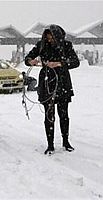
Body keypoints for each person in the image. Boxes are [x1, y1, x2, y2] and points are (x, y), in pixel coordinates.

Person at [24, 24, 80, 155]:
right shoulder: (41, 44)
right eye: (48, 38)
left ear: (58, 36)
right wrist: (30, 61)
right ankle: (50, 145)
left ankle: (65, 141)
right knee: (49, 115)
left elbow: (75, 62)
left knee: (64, 114)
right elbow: (28, 58)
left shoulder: (67, 45)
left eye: (52, 38)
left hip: (62, 81)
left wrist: (60, 63)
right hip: (47, 81)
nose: (49, 40)